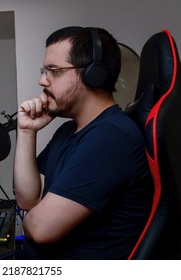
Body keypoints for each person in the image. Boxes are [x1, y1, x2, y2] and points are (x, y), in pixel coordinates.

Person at [13, 26, 153, 259]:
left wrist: (35, 215)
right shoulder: (68, 130)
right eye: (43, 70)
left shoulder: (110, 138)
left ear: (93, 74)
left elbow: (39, 229)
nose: (41, 81)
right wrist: (26, 132)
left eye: (53, 71)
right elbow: (27, 199)